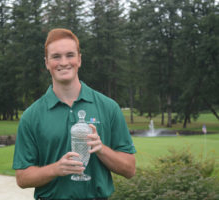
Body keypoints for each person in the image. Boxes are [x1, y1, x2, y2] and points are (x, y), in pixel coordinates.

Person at [13, 28, 136, 200]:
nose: (64, 62)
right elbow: (22, 178)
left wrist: (101, 150)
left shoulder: (108, 107)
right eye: (56, 56)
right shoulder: (31, 117)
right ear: (47, 62)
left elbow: (130, 169)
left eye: (70, 55)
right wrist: (56, 169)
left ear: (79, 59)